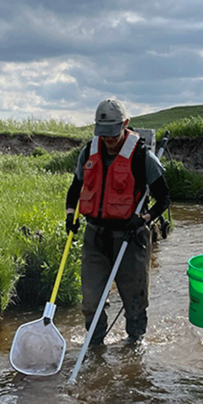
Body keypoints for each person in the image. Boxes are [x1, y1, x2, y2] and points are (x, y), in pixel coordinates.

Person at [65, 98, 170, 346]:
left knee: (134, 300)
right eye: (104, 134)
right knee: (91, 300)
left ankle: (135, 346)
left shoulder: (142, 157)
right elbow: (75, 188)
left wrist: (143, 219)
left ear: (126, 124)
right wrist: (71, 214)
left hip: (130, 237)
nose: (109, 139)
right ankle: (94, 346)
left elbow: (164, 199)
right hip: (95, 236)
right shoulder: (88, 152)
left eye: (113, 133)